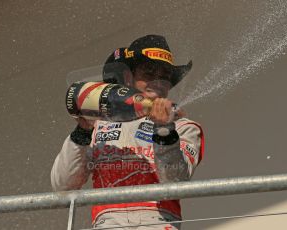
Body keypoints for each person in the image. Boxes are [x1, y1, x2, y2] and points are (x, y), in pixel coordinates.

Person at [51, 35, 204, 230]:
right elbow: (63, 187)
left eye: (165, 75)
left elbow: (175, 183)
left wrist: (164, 130)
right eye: (149, 72)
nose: (158, 81)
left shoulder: (183, 127)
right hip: (107, 224)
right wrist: (82, 131)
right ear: (127, 76)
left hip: (157, 224)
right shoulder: (97, 124)